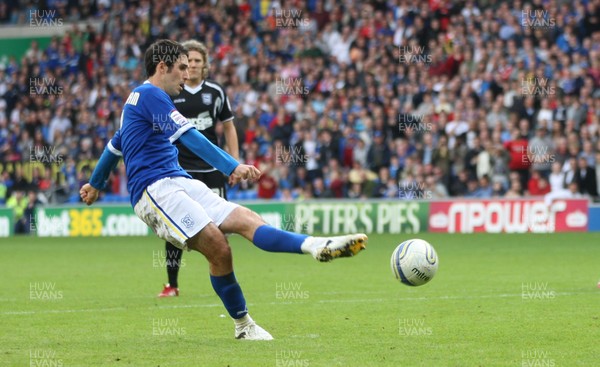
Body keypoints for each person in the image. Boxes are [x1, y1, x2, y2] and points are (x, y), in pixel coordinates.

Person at [79, 40, 367, 340]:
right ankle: (243, 325)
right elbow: (189, 137)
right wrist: (232, 166)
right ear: (162, 67)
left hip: (180, 181)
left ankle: (315, 245)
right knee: (219, 247)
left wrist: (95, 185)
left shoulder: (136, 101)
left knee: (246, 219)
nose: (186, 74)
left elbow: (114, 147)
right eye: (180, 68)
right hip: (155, 190)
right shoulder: (151, 94)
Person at [159, 40, 239, 298]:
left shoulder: (216, 92)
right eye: (188, 61)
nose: (192, 65)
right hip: (179, 168)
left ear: (205, 66)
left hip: (212, 168)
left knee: (219, 226)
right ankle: (172, 284)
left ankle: (224, 279)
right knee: (174, 229)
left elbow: (228, 126)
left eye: (197, 61)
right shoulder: (171, 92)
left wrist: (233, 163)